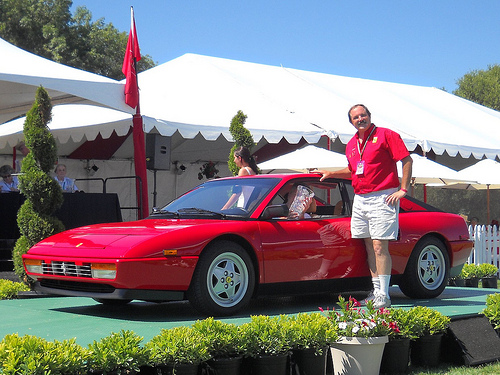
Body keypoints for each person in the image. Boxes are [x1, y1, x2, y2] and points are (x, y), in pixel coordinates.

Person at [315, 104, 412, 308]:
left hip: (383, 196)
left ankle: (384, 296)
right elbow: (353, 170)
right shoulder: (351, 144)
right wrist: (332, 174)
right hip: (360, 198)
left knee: (379, 246)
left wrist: (403, 190)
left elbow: (407, 160)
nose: (360, 119)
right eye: (356, 117)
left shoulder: (386, 135)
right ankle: (377, 293)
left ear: (369, 115)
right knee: (369, 246)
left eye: (363, 115)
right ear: (351, 122)